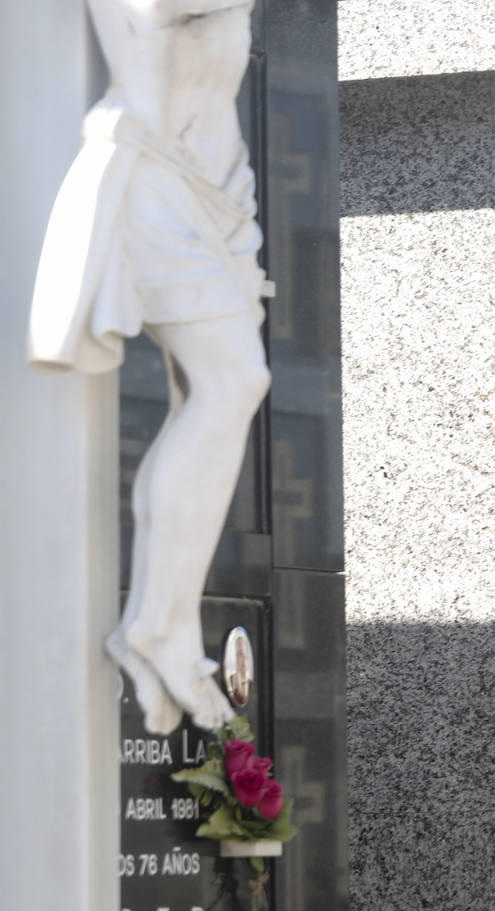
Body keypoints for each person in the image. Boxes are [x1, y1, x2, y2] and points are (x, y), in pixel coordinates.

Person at [28, 0, 270, 734]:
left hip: (217, 195)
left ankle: (158, 619)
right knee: (233, 381)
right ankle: (157, 623)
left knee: (218, 389)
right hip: (153, 181)